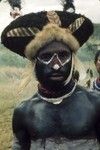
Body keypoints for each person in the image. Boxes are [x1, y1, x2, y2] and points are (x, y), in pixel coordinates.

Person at [2, 1, 100, 150]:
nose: (56, 65)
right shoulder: (24, 112)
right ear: (35, 63)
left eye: (63, 55)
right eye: (47, 56)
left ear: (72, 60)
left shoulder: (95, 103)